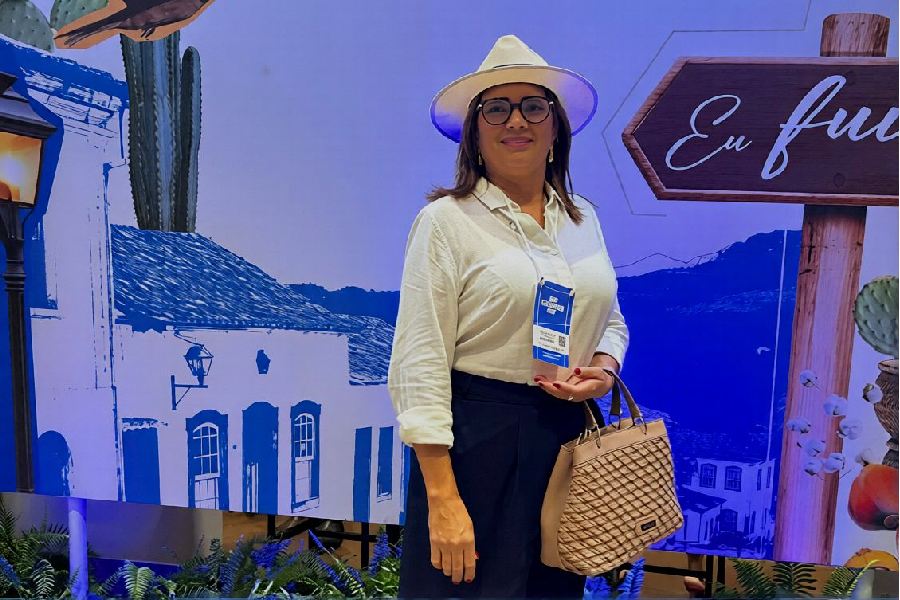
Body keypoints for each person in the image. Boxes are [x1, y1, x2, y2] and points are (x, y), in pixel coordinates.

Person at [388, 34, 629, 599]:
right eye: (496, 108)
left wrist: (602, 368)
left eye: (533, 106)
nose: (516, 120)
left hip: (565, 440)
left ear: (555, 129)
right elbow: (420, 358)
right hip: (476, 443)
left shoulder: (582, 218)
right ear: (474, 132)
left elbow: (611, 320)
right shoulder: (445, 222)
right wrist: (443, 499)